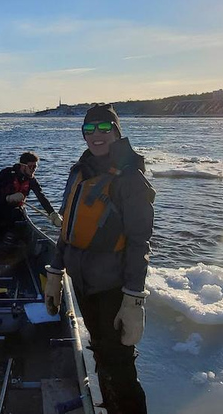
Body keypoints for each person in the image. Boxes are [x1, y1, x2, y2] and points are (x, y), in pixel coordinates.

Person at [44, 104, 155, 414]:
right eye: (89, 129)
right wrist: (55, 271)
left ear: (116, 131)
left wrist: (133, 300)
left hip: (113, 288)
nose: (96, 135)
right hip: (82, 283)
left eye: (104, 128)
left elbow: (139, 241)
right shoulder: (79, 171)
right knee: (101, 353)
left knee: (119, 366)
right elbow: (68, 227)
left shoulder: (131, 179)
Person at [0, 151, 62, 239]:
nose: (33, 170)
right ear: (23, 166)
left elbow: (41, 197)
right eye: (31, 167)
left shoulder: (31, 180)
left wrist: (52, 213)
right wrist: (8, 198)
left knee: (18, 224)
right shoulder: (6, 173)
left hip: (15, 211)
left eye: (35, 167)